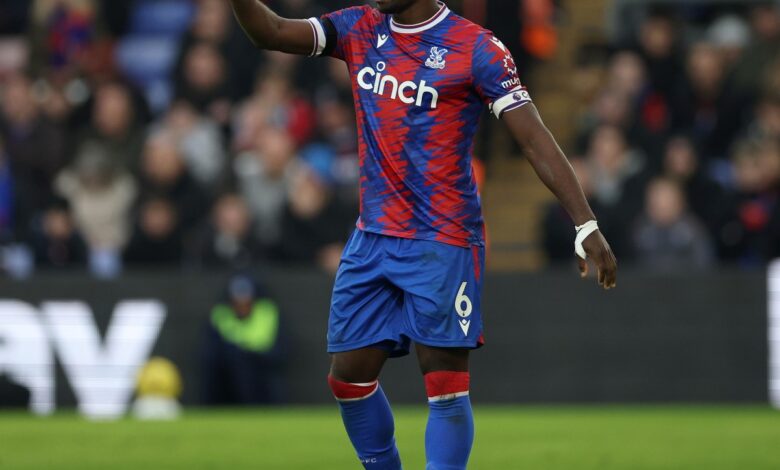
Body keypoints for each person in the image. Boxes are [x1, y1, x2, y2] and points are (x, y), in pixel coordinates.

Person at [227, 1, 618, 468]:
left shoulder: (477, 48)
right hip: (372, 236)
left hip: (441, 239)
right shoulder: (359, 27)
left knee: (444, 386)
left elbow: (533, 138)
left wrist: (585, 222)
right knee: (347, 379)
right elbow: (269, 31)